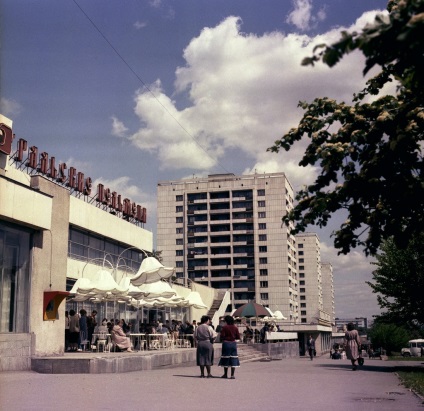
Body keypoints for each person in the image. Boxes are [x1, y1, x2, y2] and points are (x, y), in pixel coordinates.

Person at [218, 315, 240, 379]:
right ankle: (232, 375)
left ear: (226, 321)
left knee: (226, 358)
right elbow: (238, 337)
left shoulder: (224, 327)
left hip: (226, 343)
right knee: (233, 358)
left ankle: (225, 374)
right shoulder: (235, 328)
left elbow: (222, 336)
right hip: (233, 344)